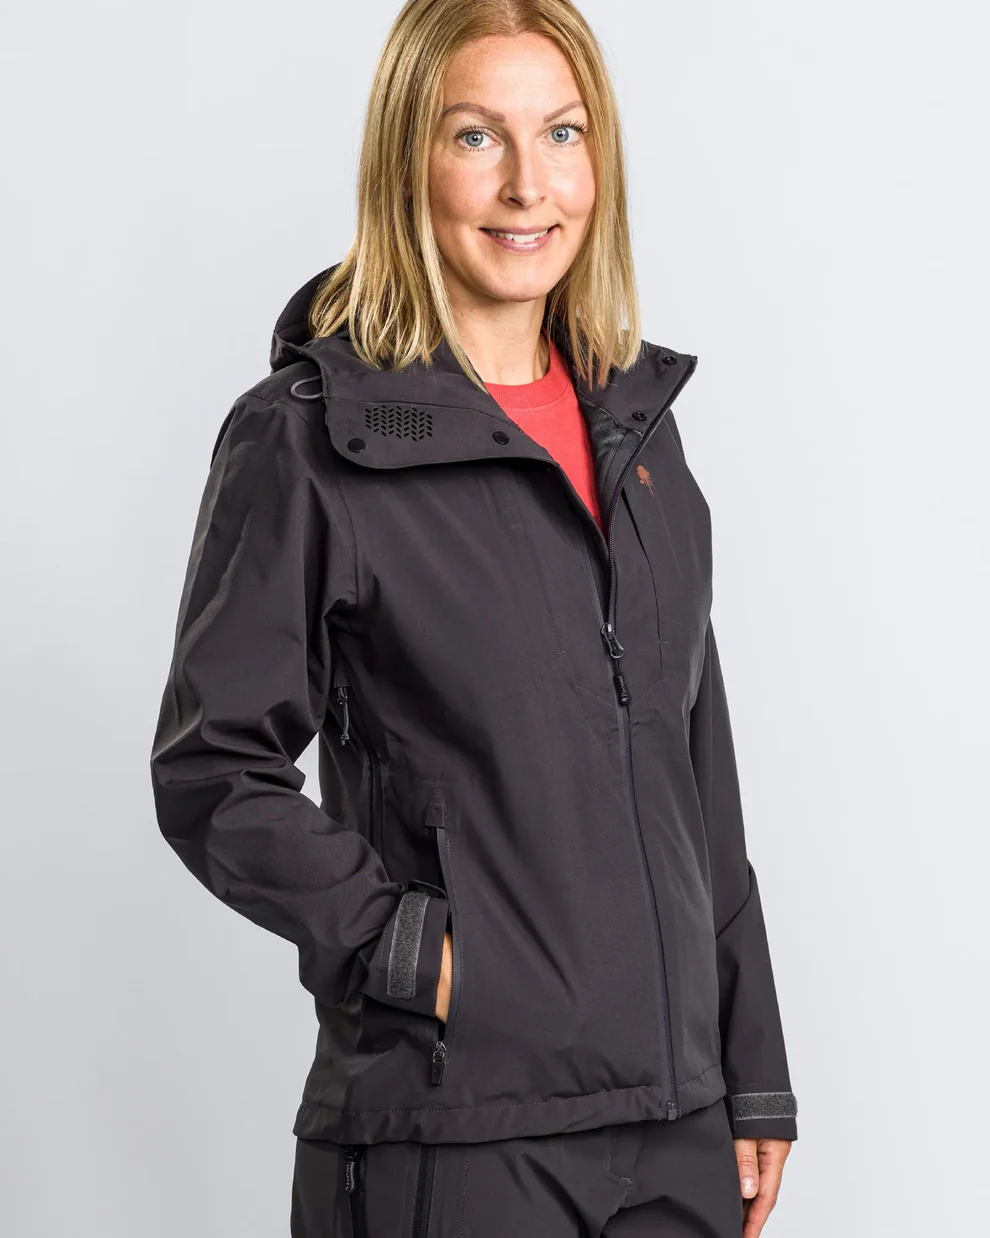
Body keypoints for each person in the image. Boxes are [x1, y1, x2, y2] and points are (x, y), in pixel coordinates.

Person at [149, 1, 798, 1234]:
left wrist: (750, 1062)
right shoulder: (313, 439)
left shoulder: (638, 437)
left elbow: (694, 770)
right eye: (475, 136)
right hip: (457, 1128)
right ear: (409, 160)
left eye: (561, 132)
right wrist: (414, 953)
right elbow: (211, 766)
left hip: (676, 1130)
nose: (526, 185)